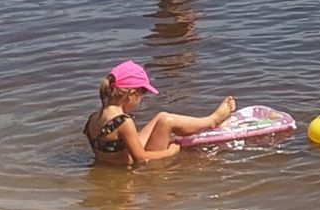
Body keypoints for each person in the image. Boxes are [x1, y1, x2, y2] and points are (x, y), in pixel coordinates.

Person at [83, 60, 234, 167]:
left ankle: (211, 121)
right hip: (128, 168)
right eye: (142, 95)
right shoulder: (123, 122)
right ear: (131, 94)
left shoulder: (94, 118)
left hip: (115, 163)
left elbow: (112, 150)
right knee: (167, 121)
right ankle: (212, 120)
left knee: (161, 116)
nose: (141, 100)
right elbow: (141, 159)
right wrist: (171, 152)